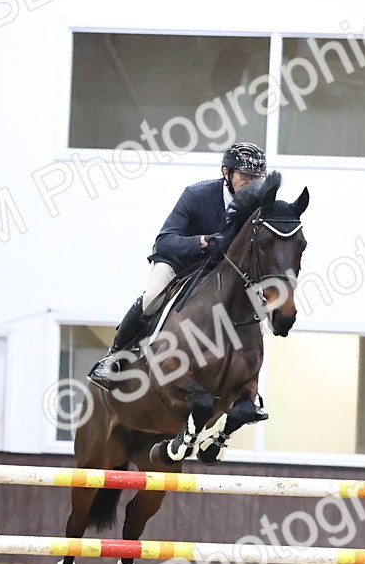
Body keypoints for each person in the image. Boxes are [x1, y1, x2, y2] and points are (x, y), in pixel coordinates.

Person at [88, 142, 267, 390]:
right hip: (179, 265)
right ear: (226, 173)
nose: (252, 184)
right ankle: (113, 357)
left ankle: (249, 388)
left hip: (218, 275)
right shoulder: (197, 195)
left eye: (257, 178)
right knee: (152, 297)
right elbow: (164, 241)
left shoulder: (259, 207)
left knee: (257, 318)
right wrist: (202, 242)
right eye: (245, 177)